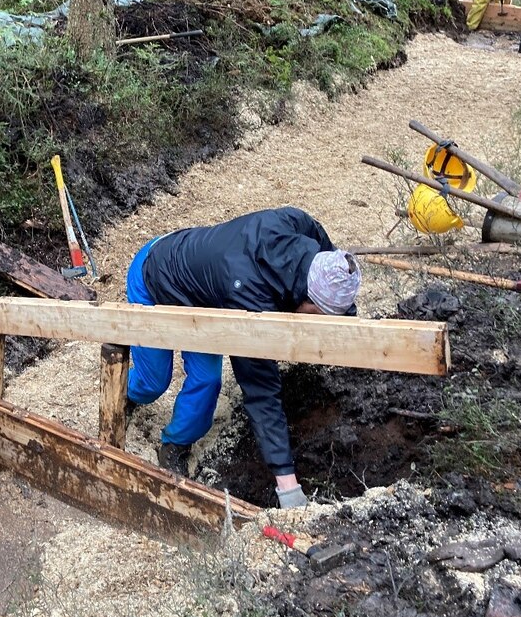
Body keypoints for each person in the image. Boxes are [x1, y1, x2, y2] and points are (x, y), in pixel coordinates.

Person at [125, 207, 361, 509]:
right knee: (154, 382)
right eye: (319, 316)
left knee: (207, 381)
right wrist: (287, 485)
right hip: (155, 276)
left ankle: (174, 445)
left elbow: (322, 242)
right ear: (309, 299)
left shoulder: (301, 233)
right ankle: (128, 393)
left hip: (206, 293)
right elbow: (260, 389)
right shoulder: (249, 297)